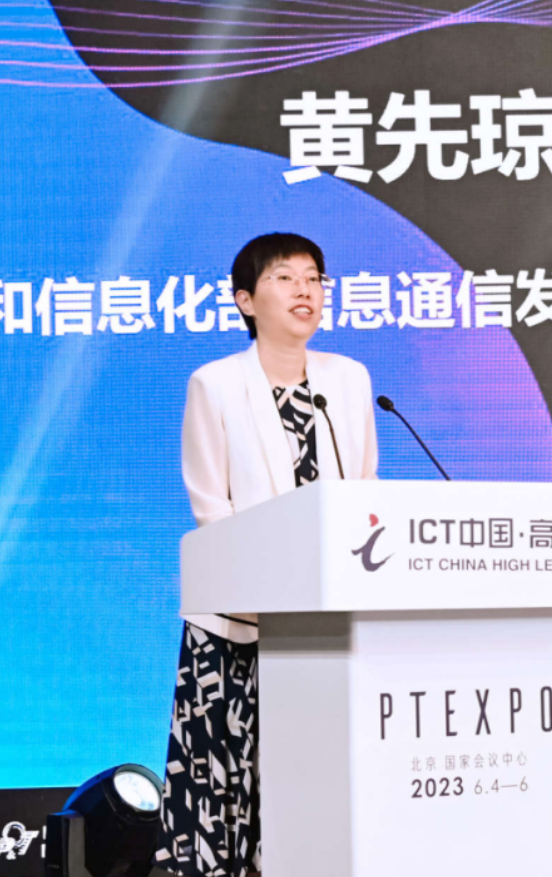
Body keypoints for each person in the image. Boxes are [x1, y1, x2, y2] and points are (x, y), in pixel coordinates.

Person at [155, 233, 378, 877]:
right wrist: (269, 589)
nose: (305, 290)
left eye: (314, 277)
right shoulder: (216, 384)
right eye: (284, 277)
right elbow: (212, 508)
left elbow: (364, 491)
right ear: (246, 301)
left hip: (328, 618)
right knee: (232, 783)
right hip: (241, 623)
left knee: (314, 779)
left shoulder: (350, 379)